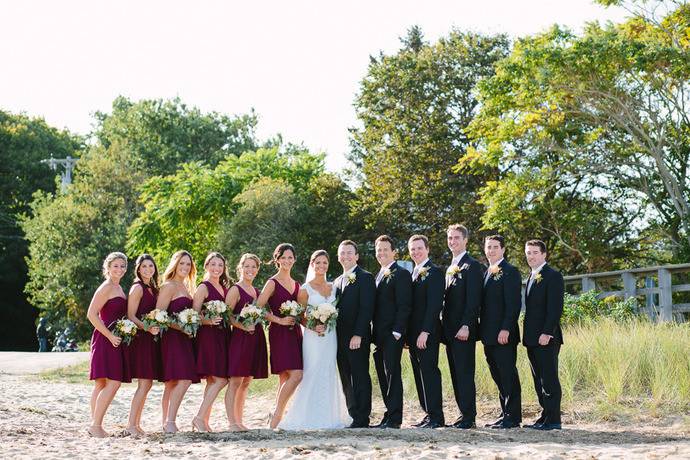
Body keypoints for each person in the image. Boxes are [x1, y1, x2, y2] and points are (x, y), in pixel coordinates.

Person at [279, 250, 352, 430]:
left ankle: (328, 415)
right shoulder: (305, 289)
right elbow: (300, 316)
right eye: (317, 262)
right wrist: (312, 325)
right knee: (312, 371)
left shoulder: (334, 287)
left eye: (324, 263)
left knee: (328, 370)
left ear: (328, 265)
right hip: (313, 338)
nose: (321, 266)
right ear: (312, 265)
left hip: (330, 336)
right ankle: (305, 415)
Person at [256, 243, 303, 429]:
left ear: (294, 260)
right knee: (297, 375)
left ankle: (275, 416)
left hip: (295, 332)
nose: (287, 261)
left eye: (290, 257)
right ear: (277, 259)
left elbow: (301, 312)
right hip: (279, 332)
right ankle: (278, 414)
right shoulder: (271, 282)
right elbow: (257, 309)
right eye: (283, 257)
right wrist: (279, 320)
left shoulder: (297, 284)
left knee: (285, 377)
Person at [442, 224, 482, 429]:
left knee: (465, 373)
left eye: (457, 238)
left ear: (465, 240)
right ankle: (462, 414)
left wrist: (467, 324)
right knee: (456, 373)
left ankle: (469, 417)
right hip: (450, 331)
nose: (453, 241)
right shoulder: (450, 267)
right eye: (450, 238)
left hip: (463, 330)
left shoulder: (472, 265)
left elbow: (473, 300)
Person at [86, 252, 130, 437]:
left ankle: (95, 424)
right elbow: (91, 314)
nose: (119, 269)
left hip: (114, 339)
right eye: (116, 266)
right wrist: (110, 336)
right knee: (113, 382)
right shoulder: (106, 287)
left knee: (101, 384)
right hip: (105, 339)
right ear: (108, 267)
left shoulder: (119, 288)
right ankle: (96, 426)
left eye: (122, 266)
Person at [480, 235, 522, 429]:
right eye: (489, 247)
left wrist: (506, 328)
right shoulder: (486, 272)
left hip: (503, 334)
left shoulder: (510, 272)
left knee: (507, 373)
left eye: (495, 247)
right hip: (488, 334)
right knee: (497, 374)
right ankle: (505, 412)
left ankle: (513, 417)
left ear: (503, 249)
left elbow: (513, 305)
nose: (491, 250)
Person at [523, 239, 564, 430]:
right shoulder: (531, 276)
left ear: (544, 254)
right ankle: (545, 415)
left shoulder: (552, 276)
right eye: (528, 252)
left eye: (534, 252)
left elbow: (555, 309)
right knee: (538, 379)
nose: (530, 256)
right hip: (532, 338)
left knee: (549, 378)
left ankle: (554, 420)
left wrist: (547, 332)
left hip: (546, 337)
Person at [371, 235, 411, 429]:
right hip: (379, 336)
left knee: (392, 375)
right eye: (379, 250)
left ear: (394, 252)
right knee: (384, 376)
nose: (382, 253)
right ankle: (388, 414)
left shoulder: (401, 273)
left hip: (392, 335)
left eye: (385, 249)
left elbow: (404, 305)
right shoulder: (379, 274)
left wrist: (398, 332)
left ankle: (395, 418)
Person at [334, 240, 375, 428]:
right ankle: (352, 413)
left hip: (357, 337)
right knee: (345, 376)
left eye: (349, 253)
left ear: (357, 256)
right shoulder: (337, 281)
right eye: (342, 253)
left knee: (360, 376)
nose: (346, 256)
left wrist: (358, 334)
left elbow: (367, 308)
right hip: (339, 339)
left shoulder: (365, 277)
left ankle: (362, 417)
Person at [225, 253, 268, 431]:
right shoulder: (235, 289)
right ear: (240, 268)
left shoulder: (257, 292)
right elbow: (227, 316)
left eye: (253, 267)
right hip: (240, 338)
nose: (250, 270)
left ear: (257, 270)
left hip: (255, 337)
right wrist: (242, 327)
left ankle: (239, 420)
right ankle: (231, 422)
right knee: (235, 381)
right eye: (247, 266)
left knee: (246, 382)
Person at [157, 250, 199, 433]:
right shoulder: (169, 286)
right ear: (175, 264)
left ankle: (166, 422)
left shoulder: (187, 288)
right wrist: (181, 327)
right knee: (183, 379)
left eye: (188, 264)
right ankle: (171, 421)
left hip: (185, 339)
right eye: (181, 263)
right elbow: (159, 315)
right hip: (172, 338)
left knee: (173, 382)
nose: (184, 267)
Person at [407, 234, 445, 429]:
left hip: (426, 333)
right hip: (413, 334)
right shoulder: (414, 272)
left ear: (427, 249)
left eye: (419, 248)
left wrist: (425, 332)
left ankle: (437, 416)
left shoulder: (435, 272)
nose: (416, 252)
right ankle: (428, 413)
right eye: (412, 249)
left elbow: (434, 305)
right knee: (419, 372)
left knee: (429, 372)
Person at [192, 252, 231, 432]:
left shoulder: (224, 286)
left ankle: (204, 421)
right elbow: (193, 315)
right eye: (213, 264)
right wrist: (207, 320)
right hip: (209, 336)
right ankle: (199, 417)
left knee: (212, 380)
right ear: (206, 266)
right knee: (221, 379)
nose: (217, 268)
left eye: (220, 266)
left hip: (223, 335)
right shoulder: (204, 287)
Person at [126, 254, 161, 437]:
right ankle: (131, 424)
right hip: (141, 339)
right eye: (144, 266)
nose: (148, 269)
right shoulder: (137, 287)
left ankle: (136, 424)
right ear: (138, 269)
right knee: (144, 383)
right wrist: (146, 328)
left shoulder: (152, 288)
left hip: (151, 339)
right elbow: (130, 315)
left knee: (147, 384)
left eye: (151, 266)